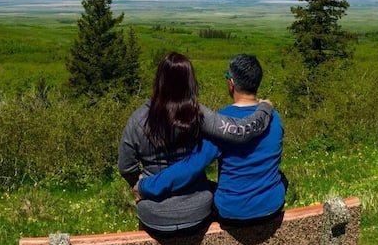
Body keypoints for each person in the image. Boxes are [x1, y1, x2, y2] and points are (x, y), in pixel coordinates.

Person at [118, 52, 275, 235]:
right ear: (190, 81)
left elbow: (125, 166)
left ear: (159, 80)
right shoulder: (198, 114)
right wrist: (265, 108)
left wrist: (142, 185)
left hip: (153, 214)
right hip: (197, 210)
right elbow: (240, 131)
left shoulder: (137, 120)